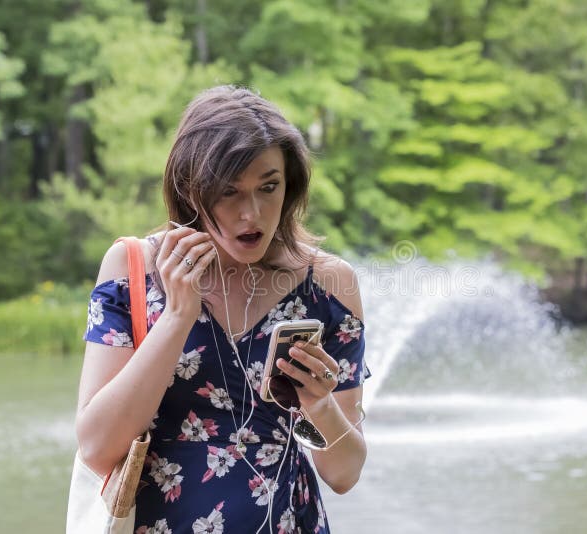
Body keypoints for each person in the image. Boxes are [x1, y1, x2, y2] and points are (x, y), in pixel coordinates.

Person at [76, 85, 370, 533]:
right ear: (191, 189)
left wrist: (318, 403)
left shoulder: (329, 284)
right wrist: (177, 316)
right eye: (229, 192)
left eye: (268, 187)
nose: (251, 213)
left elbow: (344, 473)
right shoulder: (133, 268)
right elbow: (97, 448)